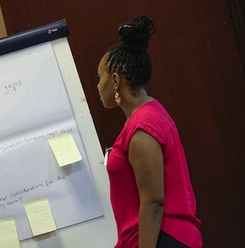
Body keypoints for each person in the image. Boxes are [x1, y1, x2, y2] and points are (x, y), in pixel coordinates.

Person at [96, 16, 202, 247]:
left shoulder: (142, 127)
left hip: (163, 239)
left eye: (100, 77)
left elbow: (154, 202)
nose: (98, 85)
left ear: (115, 81)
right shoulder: (150, 113)